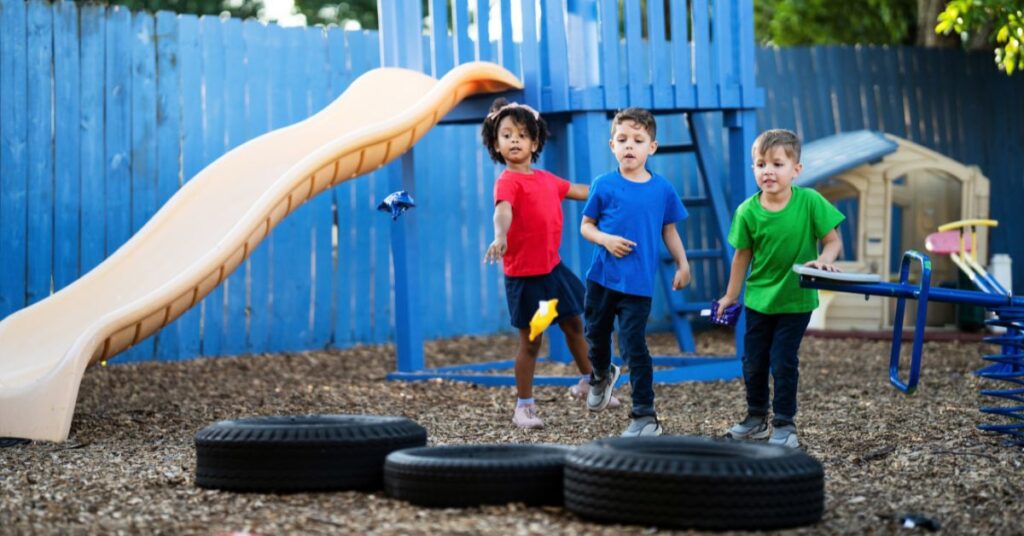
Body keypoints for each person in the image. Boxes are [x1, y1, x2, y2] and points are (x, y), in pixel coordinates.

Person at [481, 98, 620, 429]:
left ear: (535, 142)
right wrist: (500, 236)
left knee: (574, 324)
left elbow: (580, 190)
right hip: (528, 280)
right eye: (506, 135)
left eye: (522, 134)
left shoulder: (546, 180)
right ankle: (524, 406)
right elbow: (503, 211)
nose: (514, 140)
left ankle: (589, 382)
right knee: (532, 342)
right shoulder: (507, 182)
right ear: (496, 144)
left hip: (552, 272)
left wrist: (616, 190)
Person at [717, 128, 844, 448]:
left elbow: (832, 241)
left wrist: (825, 260)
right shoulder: (747, 211)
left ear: (796, 169)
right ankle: (756, 418)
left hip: (796, 298)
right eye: (761, 164)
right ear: (753, 169)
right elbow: (741, 258)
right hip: (760, 299)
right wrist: (731, 296)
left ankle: (785, 424)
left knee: (783, 360)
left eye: (777, 163)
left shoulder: (810, 201)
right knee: (754, 360)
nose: (768, 171)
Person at [580, 107, 690, 437]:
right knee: (595, 335)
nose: (630, 146)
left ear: (651, 147)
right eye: (623, 139)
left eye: (638, 140)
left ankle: (644, 415)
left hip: (638, 285)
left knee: (634, 345)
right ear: (612, 144)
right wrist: (605, 239)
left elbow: (668, 230)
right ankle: (601, 373)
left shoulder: (662, 189)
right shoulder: (604, 184)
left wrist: (683, 263)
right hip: (601, 279)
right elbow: (586, 226)